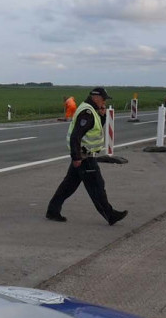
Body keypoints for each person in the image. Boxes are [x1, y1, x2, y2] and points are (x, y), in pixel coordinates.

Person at [45, 87, 128, 225]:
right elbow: (75, 136)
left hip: (84, 155)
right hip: (85, 157)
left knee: (68, 185)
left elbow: (94, 129)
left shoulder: (91, 110)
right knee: (97, 186)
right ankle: (110, 215)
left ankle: (52, 211)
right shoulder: (87, 112)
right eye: (103, 99)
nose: (104, 102)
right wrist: (76, 157)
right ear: (96, 97)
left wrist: (102, 115)